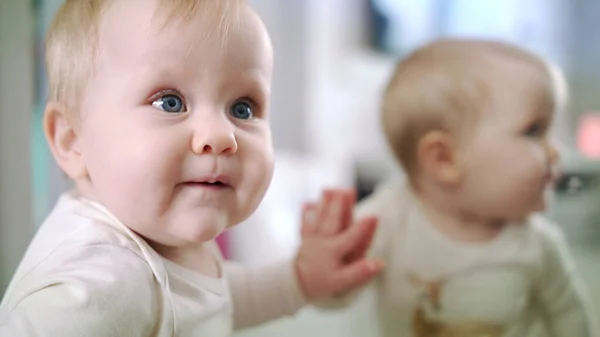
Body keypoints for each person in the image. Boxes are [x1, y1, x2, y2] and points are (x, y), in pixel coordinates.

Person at [0, 0, 383, 335]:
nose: (221, 135)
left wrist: (298, 279)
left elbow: (213, 298)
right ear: (72, 140)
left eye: (242, 108)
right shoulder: (99, 286)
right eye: (170, 102)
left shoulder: (162, 244)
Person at [317, 38, 596, 337]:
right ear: (444, 159)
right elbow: (332, 297)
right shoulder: (386, 221)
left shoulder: (538, 244)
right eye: (534, 131)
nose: (556, 152)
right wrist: (325, 267)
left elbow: (571, 318)